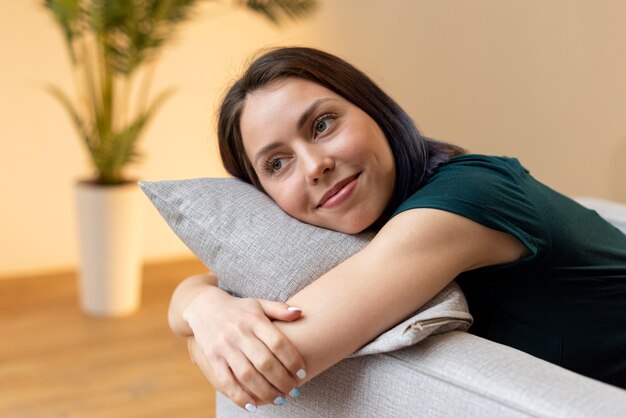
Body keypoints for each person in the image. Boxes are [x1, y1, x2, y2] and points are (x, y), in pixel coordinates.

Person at [168, 47, 626, 412]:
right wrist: (204, 306)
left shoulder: (467, 198)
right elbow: (224, 326)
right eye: (276, 163)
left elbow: (274, 360)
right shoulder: (380, 222)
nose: (314, 166)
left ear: (376, 111)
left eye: (322, 124)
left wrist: (205, 327)